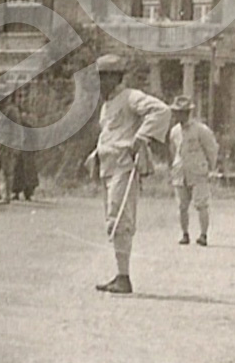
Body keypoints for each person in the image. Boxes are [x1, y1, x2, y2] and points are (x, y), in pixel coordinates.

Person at [84, 54, 170, 294]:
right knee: (113, 219)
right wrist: (96, 155)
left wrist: (141, 137)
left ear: (115, 77)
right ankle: (120, 274)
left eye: (103, 77)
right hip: (108, 167)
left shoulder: (131, 97)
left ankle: (124, 277)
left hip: (123, 167)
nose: (99, 83)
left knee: (120, 219)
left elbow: (161, 111)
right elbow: (111, 135)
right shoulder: (107, 105)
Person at [167, 95, 219, 246]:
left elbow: (211, 149)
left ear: (187, 113)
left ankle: (203, 235)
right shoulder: (174, 131)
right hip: (180, 172)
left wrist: (211, 167)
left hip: (197, 171)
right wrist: (173, 167)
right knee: (181, 206)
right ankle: (184, 234)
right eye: (176, 112)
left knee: (201, 204)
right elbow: (173, 151)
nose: (178, 115)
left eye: (181, 112)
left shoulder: (201, 130)